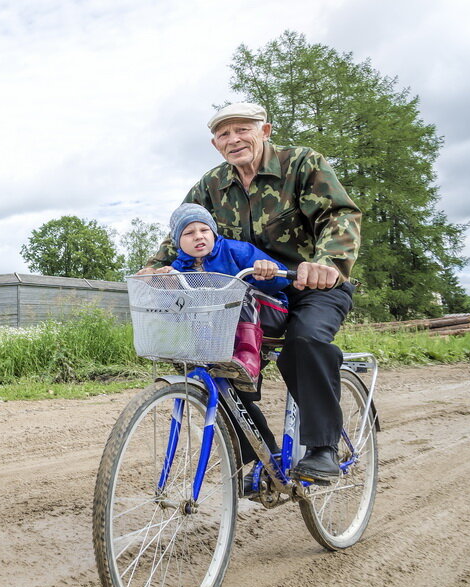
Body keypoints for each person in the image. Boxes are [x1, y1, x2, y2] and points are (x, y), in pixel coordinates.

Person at [140, 102, 361, 486]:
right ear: (215, 143)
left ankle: (322, 447)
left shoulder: (302, 164)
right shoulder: (210, 186)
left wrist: (326, 262)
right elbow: (182, 232)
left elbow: (338, 215)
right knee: (211, 364)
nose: (234, 139)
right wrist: (153, 268)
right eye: (225, 134)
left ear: (265, 131)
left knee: (305, 341)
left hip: (310, 284)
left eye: (243, 129)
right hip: (245, 294)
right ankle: (259, 455)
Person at [164, 202, 290, 392]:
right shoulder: (179, 268)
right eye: (189, 233)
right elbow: (176, 308)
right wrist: (170, 288)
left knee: (236, 289)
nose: (198, 236)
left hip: (269, 314)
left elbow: (282, 280)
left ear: (213, 233)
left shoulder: (236, 250)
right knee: (192, 301)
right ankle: (196, 354)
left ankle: (248, 358)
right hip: (225, 328)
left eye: (204, 230)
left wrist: (268, 272)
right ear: (177, 241)